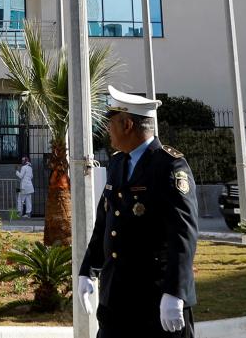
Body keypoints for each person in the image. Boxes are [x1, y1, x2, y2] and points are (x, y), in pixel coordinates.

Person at [79, 87, 198, 337]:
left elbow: (183, 234)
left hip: (154, 297)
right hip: (116, 297)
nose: (107, 130)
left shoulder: (170, 166)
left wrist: (175, 292)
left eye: (110, 123)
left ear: (128, 125)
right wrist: (89, 268)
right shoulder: (117, 162)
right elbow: (105, 220)